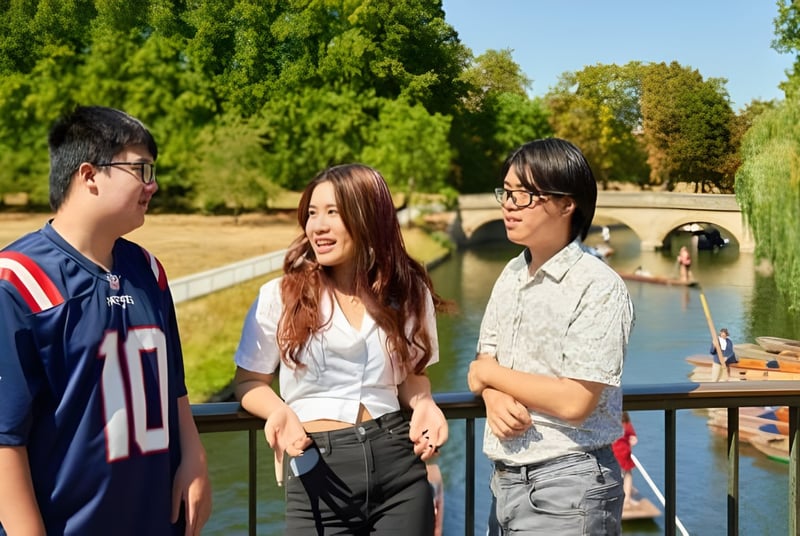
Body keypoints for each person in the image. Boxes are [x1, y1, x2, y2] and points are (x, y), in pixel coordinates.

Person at [0, 106, 211, 535]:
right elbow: (4, 442)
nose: (153, 185)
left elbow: (174, 388)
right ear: (89, 174)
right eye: (141, 169)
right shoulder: (18, 281)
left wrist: (195, 460)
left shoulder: (148, 271)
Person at [233, 163, 449, 535]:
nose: (318, 226)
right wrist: (278, 412)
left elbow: (412, 377)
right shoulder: (280, 296)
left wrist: (425, 403)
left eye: (333, 212)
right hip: (317, 469)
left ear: (368, 217)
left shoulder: (407, 292)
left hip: (398, 462)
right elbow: (248, 381)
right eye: (312, 214)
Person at [467, 138, 635, 535]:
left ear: (566, 203)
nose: (509, 204)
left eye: (523, 195)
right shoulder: (510, 275)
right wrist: (492, 395)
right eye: (506, 193)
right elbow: (481, 361)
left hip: (569, 485)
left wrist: (488, 376)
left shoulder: (598, 286)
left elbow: (574, 400)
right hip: (504, 480)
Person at [612, 411, 639, 508]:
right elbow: (634, 439)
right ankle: (627, 497)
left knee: (619, 475)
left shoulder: (611, 424)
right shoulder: (627, 425)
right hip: (623, 453)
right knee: (627, 474)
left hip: (617, 454)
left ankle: (624, 497)